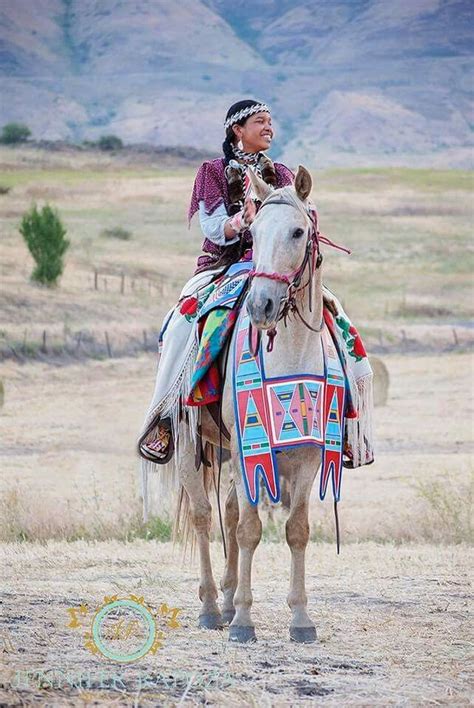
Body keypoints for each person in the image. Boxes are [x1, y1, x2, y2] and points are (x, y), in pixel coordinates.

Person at [138, 99, 295, 463]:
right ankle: (164, 419)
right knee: (181, 324)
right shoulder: (212, 171)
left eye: (270, 121)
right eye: (260, 121)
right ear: (237, 130)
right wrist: (243, 221)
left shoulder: (283, 174)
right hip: (221, 266)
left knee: (330, 313)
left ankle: (347, 421)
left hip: (271, 267)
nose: (269, 127)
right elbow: (211, 226)